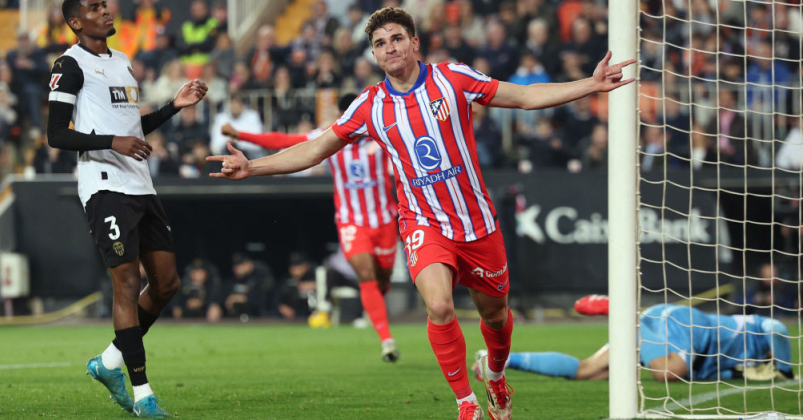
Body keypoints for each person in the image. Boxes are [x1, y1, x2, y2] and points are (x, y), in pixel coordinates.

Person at [206, 7, 634, 420]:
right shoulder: (369, 106)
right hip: (424, 223)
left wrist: (589, 84)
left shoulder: (453, 78)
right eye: (380, 43)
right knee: (440, 305)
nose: (389, 48)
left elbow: (522, 96)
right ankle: (466, 402)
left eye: (396, 39)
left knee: (496, 316)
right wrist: (252, 166)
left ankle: (496, 375)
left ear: (414, 43)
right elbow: (315, 149)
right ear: (374, 55)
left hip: (477, 223)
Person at [47, 0, 207, 417]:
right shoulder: (69, 65)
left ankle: (108, 362)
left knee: (167, 284)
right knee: (127, 282)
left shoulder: (122, 61)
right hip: (104, 186)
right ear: (76, 22)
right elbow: (56, 134)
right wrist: (111, 142)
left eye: (106, 4)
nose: (106, 10)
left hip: (140, 185)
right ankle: (143, 395)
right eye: (95, 7)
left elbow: (131, 130)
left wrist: (173, 107)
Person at [221, 93, 402, 362]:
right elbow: (285, 141)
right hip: (351, 221)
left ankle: (375, 304)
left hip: (384, 220)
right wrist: (241, 135)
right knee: (365, 273)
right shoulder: (331, 135)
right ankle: (387, 340)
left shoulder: (380, 133)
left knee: (382, 279)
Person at [477, 295, 794, 383]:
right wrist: (786, 370)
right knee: (668, 372)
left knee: (590, 371)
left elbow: (723, 371)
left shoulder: (742, 365)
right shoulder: (754, 330)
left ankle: (498, 363)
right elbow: (777, 328)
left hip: (660, 325)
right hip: (685, 325)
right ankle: (626, 316)